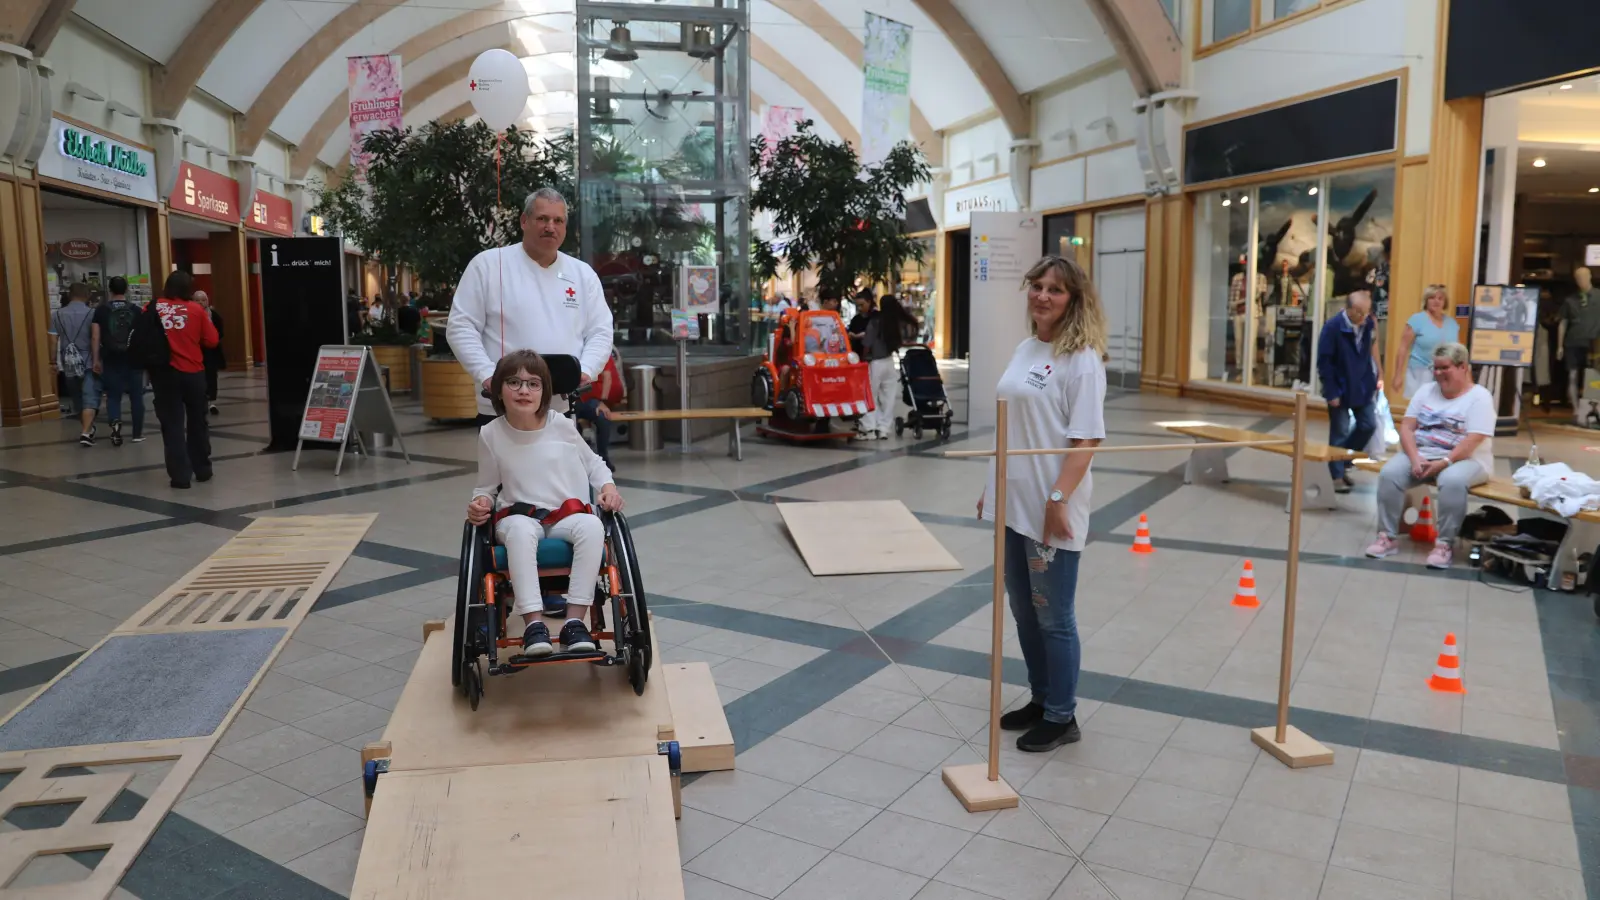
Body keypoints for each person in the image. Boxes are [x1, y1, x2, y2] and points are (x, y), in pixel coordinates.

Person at [976, 256, 1107, 753]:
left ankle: (1061, 715)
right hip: (1014, 500)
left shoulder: (1083, 360)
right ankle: (1041, 696)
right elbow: (1012, 423)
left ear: (1074, 300)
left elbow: (1086, 439)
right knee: (1023, 610)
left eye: (1055, 289)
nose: (1042, 295)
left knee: (1054, 615)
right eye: (1037, 285)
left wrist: (1058, 498)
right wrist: (994, 482)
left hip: (1051, 503)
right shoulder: (1026, 348)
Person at [465, 350, 624, 655]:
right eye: (514, 382)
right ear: (499, 389)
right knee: (521, 533)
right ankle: (533, 625)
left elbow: (594, 464)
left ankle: (573, 623)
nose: (523, 390)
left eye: (533, 384)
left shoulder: (561, 424)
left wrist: (608, 488)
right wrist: (480, 504)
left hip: (565, 514)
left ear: (545, 391)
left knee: (592, 526)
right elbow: (485, 487)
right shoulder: (491, 433)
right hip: (518, 516)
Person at [447, 188, 612, 426]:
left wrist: (585, 370)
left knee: (559, 464)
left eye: (558, 220)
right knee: (505, 464)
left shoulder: (582, 273)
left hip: (560, 406)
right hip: (501, 405)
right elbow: (461, 327)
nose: (550, 227)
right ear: (524, 221)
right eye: (542, 219)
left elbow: (600, 331)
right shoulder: (489, 265)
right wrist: (486, 375)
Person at [1366, 342, 1493, 569]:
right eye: (1435, 368)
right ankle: (1387, 537)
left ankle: (1444, 544)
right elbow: (1406, 427)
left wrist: (1444, 462)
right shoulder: (1426, 391)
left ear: (1463, 367)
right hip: (1424, 453)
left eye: (1445, 368)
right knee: (1389, 473)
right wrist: (1414, 458)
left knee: (1451, 480)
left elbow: (1473, 440)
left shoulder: (1480, 397)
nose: (1438, 374)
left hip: (1467, 460)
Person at [149, 271, 219, 489]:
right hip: (193, 373)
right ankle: (202, 469)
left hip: (164, 375)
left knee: (172, 425)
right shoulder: (195, 309)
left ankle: (180, 476)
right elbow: (212, 340)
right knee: (198, 422)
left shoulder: (153, 308)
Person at [1315, 290, 1381, 493]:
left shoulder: (1368, 324)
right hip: (1340, 387)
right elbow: (1324, 363)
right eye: (1360, 312)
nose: (1364, 317)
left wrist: (1377, 375)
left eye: (1367, 312)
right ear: (1349, 309)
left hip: (1362, 386)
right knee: (1340, 432)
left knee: (1368, 425)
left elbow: (1370, 351)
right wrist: (1331, 392)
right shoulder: (1333, 327)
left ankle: (1343, 461)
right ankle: (1335, 474)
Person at [89, 276, 146, 446]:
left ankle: (115, 424)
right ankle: (137, 434)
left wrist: (96, 359)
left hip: (111, 356)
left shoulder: (100, 310)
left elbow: (95, 336)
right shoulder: (136, 310)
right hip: (133, 358)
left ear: (110, 290)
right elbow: (142, 336)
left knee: (113, 395)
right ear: (127, 290)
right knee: (136, 396)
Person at [856, 295, 912, 440]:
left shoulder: (876, 321)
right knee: (888, 397)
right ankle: (883, 429)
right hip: (889, 362)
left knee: (870, 395)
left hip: (875, 363)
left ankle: (869, 428)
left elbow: (867, 343)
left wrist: (863, 358)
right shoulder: (896, 322)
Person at [49, 283, 97, 446]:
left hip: (68, 362)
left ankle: (87, 428)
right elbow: (95, 338)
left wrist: (53, 362)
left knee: (77, 398)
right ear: (87, 295)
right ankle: (86, 431)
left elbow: (53, 340)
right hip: (88, 360)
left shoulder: (57, 314)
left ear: (70, 295)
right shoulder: (92, 313)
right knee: (89, 395)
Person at [1392, 284, 1458, 398]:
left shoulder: (1452, 323)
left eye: (1440, 298)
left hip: (1445, 374)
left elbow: (1457, 352)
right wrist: (1398, 375)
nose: (1436, 301)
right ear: (1426, 301)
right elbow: (1403, 347)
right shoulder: (1417, 320)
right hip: (1420, 373)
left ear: (1445, 302)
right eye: (1432, 298)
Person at [575, 347, 624, 470]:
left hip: (592, 400)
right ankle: (575, 458)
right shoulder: (570, 352)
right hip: (571, 399)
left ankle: (603, 456)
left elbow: (607, 377)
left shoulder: (598, 352)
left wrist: (602, 402)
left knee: (603, 417)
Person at [1563, 267, 1600, 424]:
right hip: (1573, 342)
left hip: (1594, 342)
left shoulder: (1598, 296)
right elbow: (1563, 322)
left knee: (1593, 376)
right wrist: (1559, 345)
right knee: (1572, 376)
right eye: (1578, 277)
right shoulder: (1570, 300)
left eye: (1584, 277)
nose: (1581, 280)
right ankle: (1576, 409)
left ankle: (1593, 409)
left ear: (1590, 276)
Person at [193, 290, 225, 416]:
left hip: (211, 351)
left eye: (203, 299)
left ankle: (212, 402)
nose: (201, 302)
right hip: (196, 351)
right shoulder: (190, 315)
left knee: (211, 376)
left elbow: (221, 331)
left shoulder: (214, 315)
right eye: (197, 300)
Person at [848, 290, 876, 356]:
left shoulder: (876, 317)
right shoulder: (855, 319)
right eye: (857, 306)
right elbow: (850, 332)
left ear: (869, 302)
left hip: (873, 356)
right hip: (857, 355)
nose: (859, 308)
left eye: (861, 305)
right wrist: (851, 335)